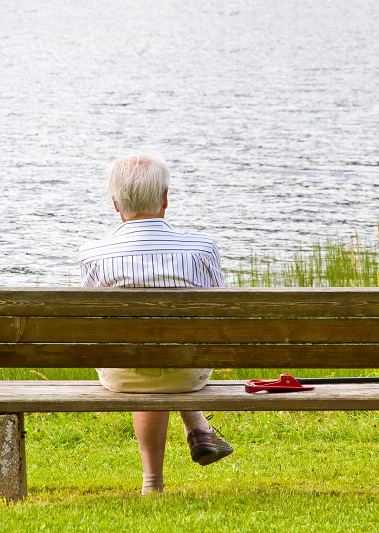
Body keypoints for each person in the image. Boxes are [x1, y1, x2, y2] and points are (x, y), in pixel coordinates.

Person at [78, 153, 233, 495]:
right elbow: (220, 317)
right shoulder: (202, 250)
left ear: (115, 204)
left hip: (122, 375)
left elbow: (90, 325)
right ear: (165, 198)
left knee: (140, 355)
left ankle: (153, 482)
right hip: (188, 373)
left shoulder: (93, 255)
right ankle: (198, 427)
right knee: (170, 352)